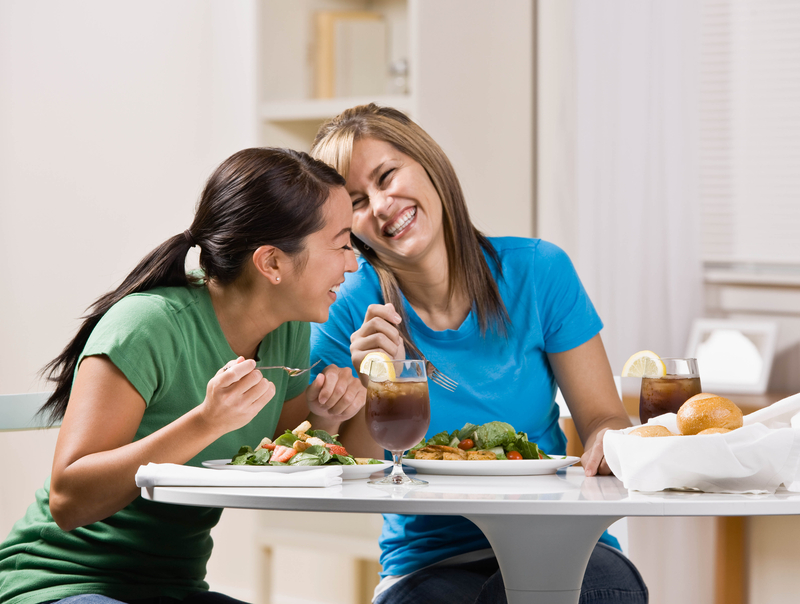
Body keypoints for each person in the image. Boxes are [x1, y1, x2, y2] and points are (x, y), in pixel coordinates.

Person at [309, 104, 649, 604]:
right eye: (358, 201)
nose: (381, 206)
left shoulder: (539, 273)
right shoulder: (348, 307)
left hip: (562, 537)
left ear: (429, 163)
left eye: (387, 176)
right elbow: (354, 464)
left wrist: (610, 441)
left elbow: (603, 418)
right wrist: (367, 387)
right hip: (430, 560)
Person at [0, 148, 364, 604]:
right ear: (271, 263)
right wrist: (205, 422)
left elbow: (275, 459)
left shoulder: (288, 329)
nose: (352, 264)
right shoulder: (147, 325)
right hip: (61, 581)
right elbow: (70, 501)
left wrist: (325, 418)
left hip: (174, 589)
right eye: (342, 243)